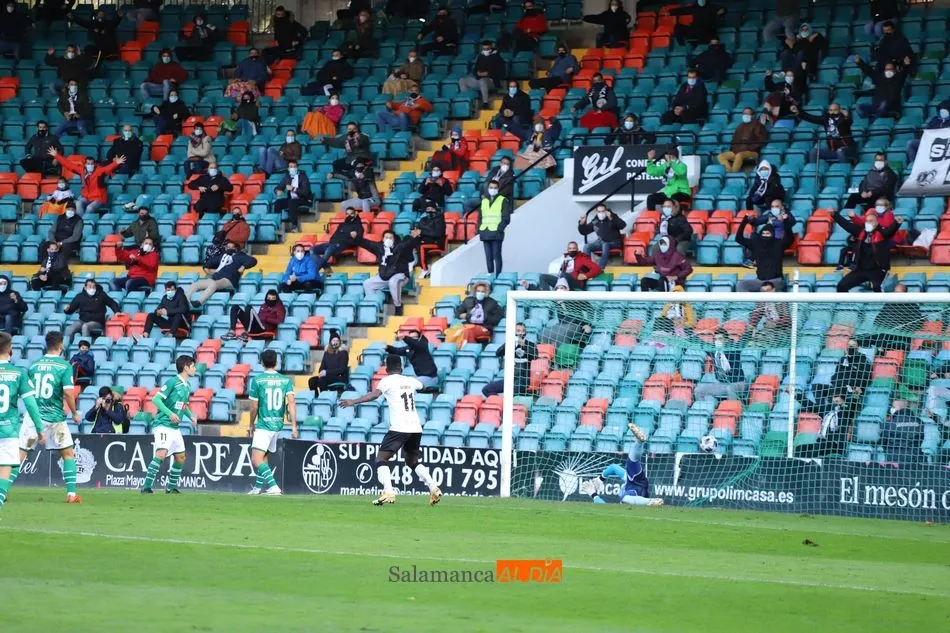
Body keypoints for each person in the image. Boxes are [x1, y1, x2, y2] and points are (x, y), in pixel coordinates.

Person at [339, 355, 442, 506]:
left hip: (400, 427)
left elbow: (375, 395)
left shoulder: (387, 381)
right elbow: (424, 387)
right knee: (412, 461)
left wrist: (353, 401)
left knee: (381, 459)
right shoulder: (410, 380)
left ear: (387, 369)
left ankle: (388, 491)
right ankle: (433, 487)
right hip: (415, 427)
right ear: (401, 368)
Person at [24, 331, 83, 502]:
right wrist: (74, 413)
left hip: (34, 417)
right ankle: (71, 494)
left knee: (20, 453)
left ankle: (2, 491)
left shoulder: (34, 365)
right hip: (55, 418)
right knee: (68, 454)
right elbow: (68, 393)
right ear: (61, 345)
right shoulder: (64, 366)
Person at [0, 333, 46, 511]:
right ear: (10, 350)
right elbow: (31, 404)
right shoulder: (18, 373)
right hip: (8, 430)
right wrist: (39, 428)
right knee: (5, 467)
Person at [140, 355, 198, 494]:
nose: (195, 369)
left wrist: (190, 416)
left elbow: (183, 405)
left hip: (174, 428)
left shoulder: (187, 385)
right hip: (163, 424)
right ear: (186, 368)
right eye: (193, 366)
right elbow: (156, 399)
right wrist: (170, 414)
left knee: (180, 457)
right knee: (161, 454)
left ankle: (171, 488)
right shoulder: (172, 382)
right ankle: (146, 487)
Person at [246, 349, 296, 496]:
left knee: (256, 459)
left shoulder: (257, 380)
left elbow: (254, 406)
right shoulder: (285, 380)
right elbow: (291, 403)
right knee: (264, 457)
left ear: (262, 362)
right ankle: (258, 488)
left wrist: (251, 424)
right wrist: (294, 425)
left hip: (264, 425)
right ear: (277, 362)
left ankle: (274, 487)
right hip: (277, 424)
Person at [588, 424, 664, 507]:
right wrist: (593, 493)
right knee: (625, 497)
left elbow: (613, 467)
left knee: (631, 462)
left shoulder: (625, 480)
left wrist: (599, 480)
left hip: (634, 483)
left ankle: (639, 442)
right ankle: (651, 501)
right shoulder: (625, 492)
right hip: (637, 491)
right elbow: (606, 507)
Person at [833, 209, 903, 293]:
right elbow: (846, 225)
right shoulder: (860, 232)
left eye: (871, 221)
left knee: (877, 288)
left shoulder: (882, 233)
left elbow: (890, 231)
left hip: (877, 270)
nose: (868, 223)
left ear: (876, 223)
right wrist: (834, 215)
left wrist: (896, 223)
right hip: (860, 269)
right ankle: (848, 302)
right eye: (867, 221)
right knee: (841, 286)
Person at [359, 229, 422, 316]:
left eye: (390, 237)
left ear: (394, 239)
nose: (388, 239)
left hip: (400, 275)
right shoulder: (379, 247)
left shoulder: (399, 247)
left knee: (393, 282)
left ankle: (398, 306)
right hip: (385, 276)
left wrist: (413, 237)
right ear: (383, 239)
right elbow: (366, 243)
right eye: (386, 237)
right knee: (367, 284)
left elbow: (408, 243)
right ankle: (376, 306)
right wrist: (356, 238)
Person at [49, 149, 123, 216]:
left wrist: (116, 163)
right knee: (78, 203)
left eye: (91, 164)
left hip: (98, 198)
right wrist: (56, 155)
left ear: (94, 164)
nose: (90, 165)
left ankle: (85, 223)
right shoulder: (82, 170)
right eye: (88, 164)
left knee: (89, 208)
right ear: (85, 164)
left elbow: (108, 168)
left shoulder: (99, 171)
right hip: (87, 197)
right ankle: (81, 221)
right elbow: (68, 165)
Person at [735, 212, 795, 292]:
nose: (765, 235)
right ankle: (749, 301)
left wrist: (786, 221)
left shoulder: (779, 244)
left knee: (766, 288)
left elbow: (790, 238)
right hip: (759, 281)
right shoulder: (756, 244)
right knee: (741, 285)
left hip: (776, 281)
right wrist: (745, 220)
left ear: (772, 234)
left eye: (767, 234)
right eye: (763, 233)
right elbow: (738, 238)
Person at [792, 388, 859, 458]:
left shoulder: (846, 412)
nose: (835, 399)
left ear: (843, 399)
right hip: (822, 442)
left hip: (836, 444)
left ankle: (810, 464)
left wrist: (856, 395)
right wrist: (795, 394)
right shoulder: (827, 410)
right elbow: (810, 404)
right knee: (800, 449)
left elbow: (853, 406)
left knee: (816, 449)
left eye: (837, 397)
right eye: (834, 397)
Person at [464, 180, 512, 275]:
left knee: (496, 256)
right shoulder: (484, 201)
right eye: (491, 187)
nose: (493, 189)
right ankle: (490, 274)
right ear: (488, 188)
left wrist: (499, 229)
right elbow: (481, 217)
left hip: (496, 233)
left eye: (495, 188)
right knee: (488, 256)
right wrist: (479, 229)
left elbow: (506, 218)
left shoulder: (503, 200)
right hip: (485, 232)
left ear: (498, 189)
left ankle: (498, 276)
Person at [187, 241, 256, 307]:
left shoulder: (241, 256)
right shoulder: (223, 256)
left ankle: (199, 302)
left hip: (228, 279)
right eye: (227, 246)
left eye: (230, 246)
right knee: (195, 285)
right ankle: (186, 302)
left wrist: (243, 266)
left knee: (213, 284)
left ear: (236, 247)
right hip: (216, 278)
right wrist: (210, 271)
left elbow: (253, 260)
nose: (227, 248)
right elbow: (208, 264)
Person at [482, 322, 537, 398]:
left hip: (522, 380)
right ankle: (499, 402)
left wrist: (524, 345)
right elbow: (498, 353)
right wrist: (508, 343)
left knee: (511, 395)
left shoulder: (530, 344)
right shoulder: (510, 344)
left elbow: (535, 356)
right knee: (487, 389)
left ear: (525, 332)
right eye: (518, 331)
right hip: (509, 379)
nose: (521, 333)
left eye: (523, 331)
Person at [792, 103, 856, 163]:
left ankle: (844, 168)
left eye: (835, 110)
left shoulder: (844, 119)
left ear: (840, 110)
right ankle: (813, 170)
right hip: (833, 150)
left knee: (840, 151)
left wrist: (846, 116)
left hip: (847, 149)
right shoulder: (826, 118)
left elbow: (849, 122)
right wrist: (798, 112)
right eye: (831, 110)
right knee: (813, 152)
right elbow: (812, 118)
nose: (833, 112)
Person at [694, 329, 746, 403]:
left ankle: (730, 409)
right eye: (715, 339)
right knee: (698, 390)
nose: (717, 341)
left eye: (720, 339)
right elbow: (699, 342)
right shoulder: (713, 351)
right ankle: (704, 408)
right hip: (721, 383)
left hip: (738, 383)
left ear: (726, 340)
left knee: (730, 389)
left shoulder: (733, 349)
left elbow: (744, 341)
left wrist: (751, 330)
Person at [311, 206, 364, 274]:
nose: (349, 216)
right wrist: (331, 241)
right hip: (331, 244)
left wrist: (355, 236)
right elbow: (335, 235)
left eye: (351, 214)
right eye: (347, 214)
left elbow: (359, 236)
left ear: (354, 215)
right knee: (312, 250)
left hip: (341, 245)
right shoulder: (342, 224)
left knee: (328, 250)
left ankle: (314, 272)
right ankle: (326, 267)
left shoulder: (357, 225)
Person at [855, 55, 908, 121]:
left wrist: (906, 65)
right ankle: (874, 116)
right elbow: (869, 71)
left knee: (883, 104)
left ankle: (874, 119)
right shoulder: (879, 78)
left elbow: (903, 73)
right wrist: (859, 62)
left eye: (890, 69)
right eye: (887, 69)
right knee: (859, 107)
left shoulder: (897, 80)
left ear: (894, 71)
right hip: (876, 108)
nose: (888, 71)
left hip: (891, 109)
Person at [460, 40, 506, 110]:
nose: (485, 51)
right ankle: (469, 102)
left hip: (492, 81)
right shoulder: (480, 56)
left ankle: (485, 103)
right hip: (479, 79)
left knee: (482, 80)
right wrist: (478, 73)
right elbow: (475, 69)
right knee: (462, 81)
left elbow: (501, 72)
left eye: (487, 49)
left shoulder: (497, 58)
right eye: (484, 49)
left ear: (491, 48)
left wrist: (488, 74)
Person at [717, 108, 768, 172]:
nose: (745, 115)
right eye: (744, 114)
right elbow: (734, 140)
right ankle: (729, 172)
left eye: (747, 114)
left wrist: (749, 147)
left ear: (753, 115)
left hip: (752, 151)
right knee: (721, 156)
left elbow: (762, 140)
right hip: (737, 151)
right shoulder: (740, 126)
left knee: (739, 155)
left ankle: (733, 174)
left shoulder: (758, 125)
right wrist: (733, 148)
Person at [579, 205, 626, 270]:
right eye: (599, 211)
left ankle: (600, 269)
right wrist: (582, 223)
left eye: (603, 211)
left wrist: (611, 218)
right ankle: (587, 269)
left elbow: (623, 225)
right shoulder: (596, 221)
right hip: (601, 242)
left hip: (614, 242)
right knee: (586, 246)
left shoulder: (612, 217)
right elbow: (585, 231)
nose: (601, 213)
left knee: (605, 245)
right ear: (596, 212)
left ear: (606, 211)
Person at [880, 400, 925, 464]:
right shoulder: (918, 421)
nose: (891, 409)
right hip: (914, 459)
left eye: (893, 407)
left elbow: (883, 442)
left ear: (898, 407)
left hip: (893, 460)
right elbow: (921, 438)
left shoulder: (889, 423)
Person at [747, 281, 791, 347]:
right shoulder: (761, 301)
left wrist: (774, 323)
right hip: (768, 329)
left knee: (765, 339)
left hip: (782, 330)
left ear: (773, 290)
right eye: (763, 291)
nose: (765, 293)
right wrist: (752, 325)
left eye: (768, 290)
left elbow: (787, 319)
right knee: (753, 339)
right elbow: (757, 313)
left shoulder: (781, 300)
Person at [273, 160, 312, 231]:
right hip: (291, 199)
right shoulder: (287, 177)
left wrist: (293, 189)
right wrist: (277, 191)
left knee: (292, 202)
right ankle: (277, 225)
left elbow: (305, 192)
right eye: (291, 167)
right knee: (277, 203)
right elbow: (278, 187)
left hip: (303, 199)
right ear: (288, 169)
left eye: (294, 167)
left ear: (297, 168)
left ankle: (294, 226)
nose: (293, 168)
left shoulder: (303, 177)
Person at [416, 201, 447, 272]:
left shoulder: (439, 218)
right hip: (424, 239)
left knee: (420, 245)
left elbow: (437, 234)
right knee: (409, 240)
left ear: (435, 209)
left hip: (436, 241)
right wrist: (415, 233)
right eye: (428, 209)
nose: (429, 211)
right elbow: (418, 230)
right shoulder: (423, 220)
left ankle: (424, 269)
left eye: (431, 209)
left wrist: (422, 232)